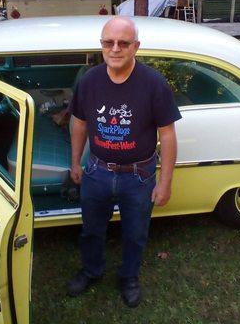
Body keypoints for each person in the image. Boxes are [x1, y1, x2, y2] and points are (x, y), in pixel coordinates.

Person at [67, 16, 181, 307]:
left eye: (123, 43)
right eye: (109, 42)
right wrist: (75, 163)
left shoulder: (154, 84)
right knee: (91, 229)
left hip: (138, 176)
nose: (115, 48)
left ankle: (129, 276)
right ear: (102, 45)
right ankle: (92, 270)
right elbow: (78, 123)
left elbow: (167, 135)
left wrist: (165, 182)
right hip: (97, 172)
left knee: (135, 233)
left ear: (136, 47)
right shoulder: (89, 80)